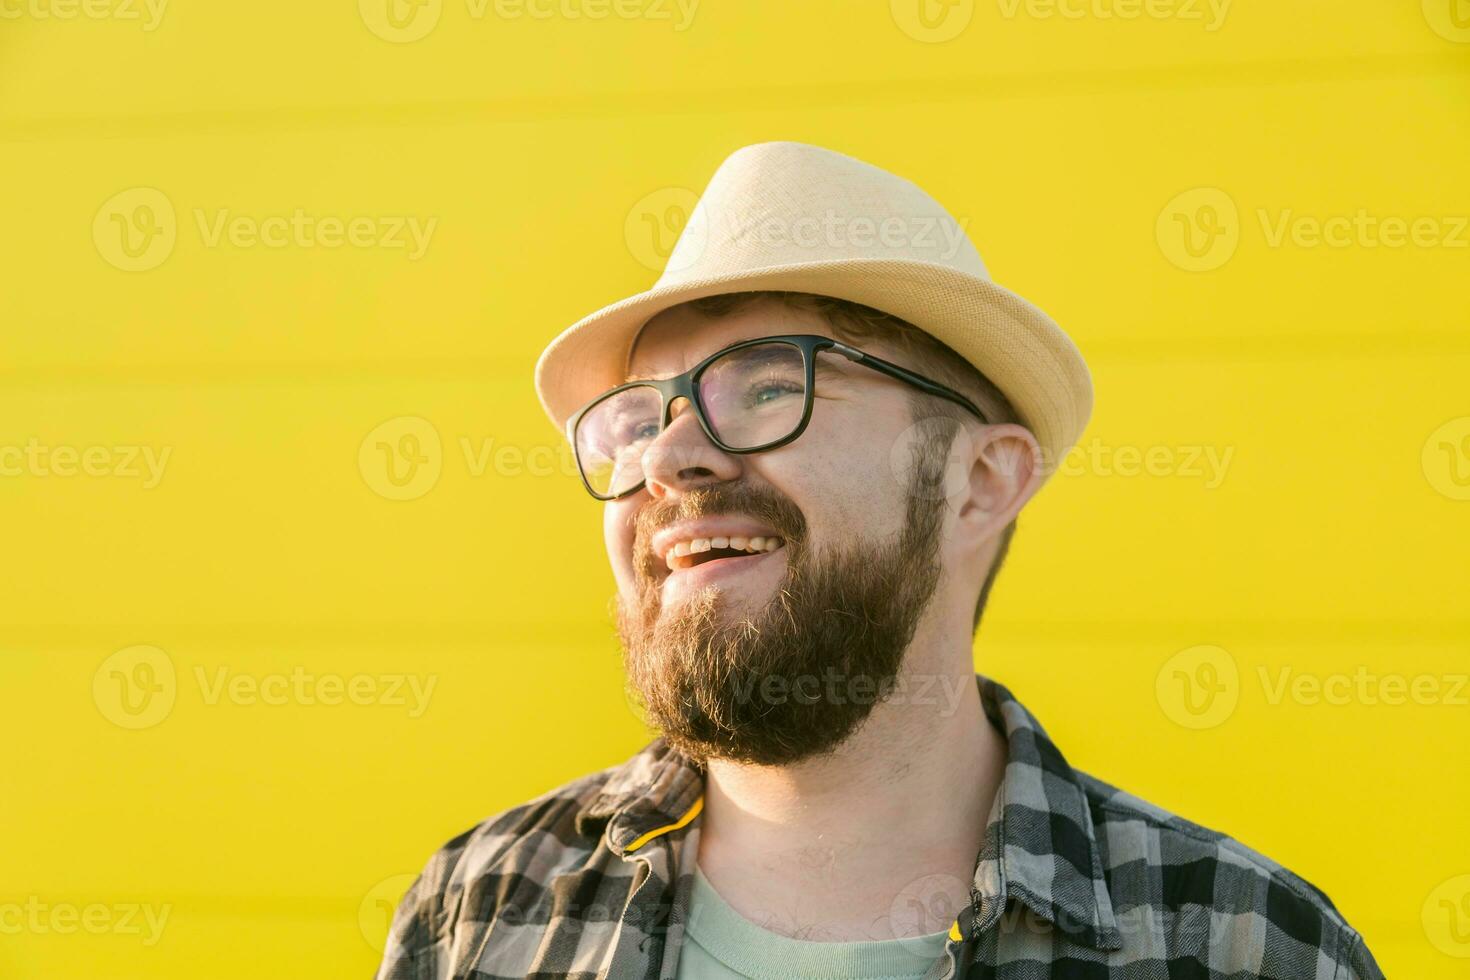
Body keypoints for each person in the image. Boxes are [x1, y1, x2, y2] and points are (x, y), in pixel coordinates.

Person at [376, 142, 1383, 979]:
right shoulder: (480, 908)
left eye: (769, 385)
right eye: (637, 418)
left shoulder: (1248, 944)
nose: (669, 457)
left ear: (980, 479)